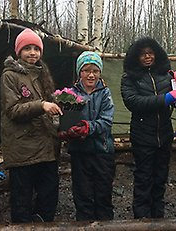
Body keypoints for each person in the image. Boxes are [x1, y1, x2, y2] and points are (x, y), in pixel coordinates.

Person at [0, 28, 62, 223]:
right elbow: (13, 110)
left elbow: (50, 107)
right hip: (23, 149)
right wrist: (42, 105)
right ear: (19, 51)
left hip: (46, 146)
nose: (32, 53)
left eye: (36, 48)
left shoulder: (43, 74)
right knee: (21, 200)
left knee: (49, 196)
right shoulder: (10, 76)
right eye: (27, 48)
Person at [121, 37, 176, 219]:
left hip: (164, 135)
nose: (147, 57)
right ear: (136, 57)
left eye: (150, 53)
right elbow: (133, 102)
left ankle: (158, 218)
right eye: (143, 54)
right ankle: (141, 219)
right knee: (143, 179)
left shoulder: (165, 74)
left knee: (160, 179)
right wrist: (165, 99)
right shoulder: (130, 77)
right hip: (143, 136)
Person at [58, 51, 116, 221]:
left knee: (103, 194)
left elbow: (106, 121)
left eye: (95, 71)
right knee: (82, 195)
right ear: (79, 72)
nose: (91, 75)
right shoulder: (69, 94)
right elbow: (64, 119)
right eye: (86, 70)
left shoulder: (105, 93)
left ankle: (105, 224)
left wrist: (88, 127)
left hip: (102, 151)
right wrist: (66, 131)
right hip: (79, 152)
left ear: (100, 73)